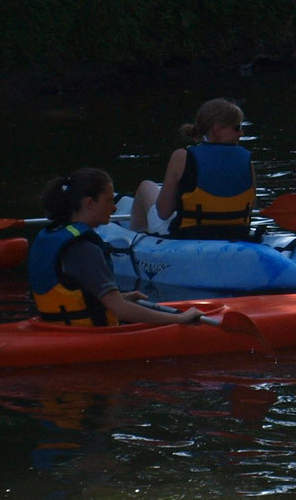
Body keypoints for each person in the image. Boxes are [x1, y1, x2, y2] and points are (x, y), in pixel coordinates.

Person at [29, 168, 209, 328]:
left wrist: (120, 298)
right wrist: (180, 320)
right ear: (90, 203)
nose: (114, 208)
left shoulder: (52, 234)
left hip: (56, 327)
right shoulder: (83, 248)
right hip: (88, 337)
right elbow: (121, 311)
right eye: (108, 201)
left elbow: (84, 297)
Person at [130, 98, 256, 240]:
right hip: (237, 235)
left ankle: (136, 242)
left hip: (189, 237)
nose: (241, 134)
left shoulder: (181, 156)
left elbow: (163, 212)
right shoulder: (246, 160)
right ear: (217, 128)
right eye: (237, 128)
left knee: (146, 186)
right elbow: (249, 208)